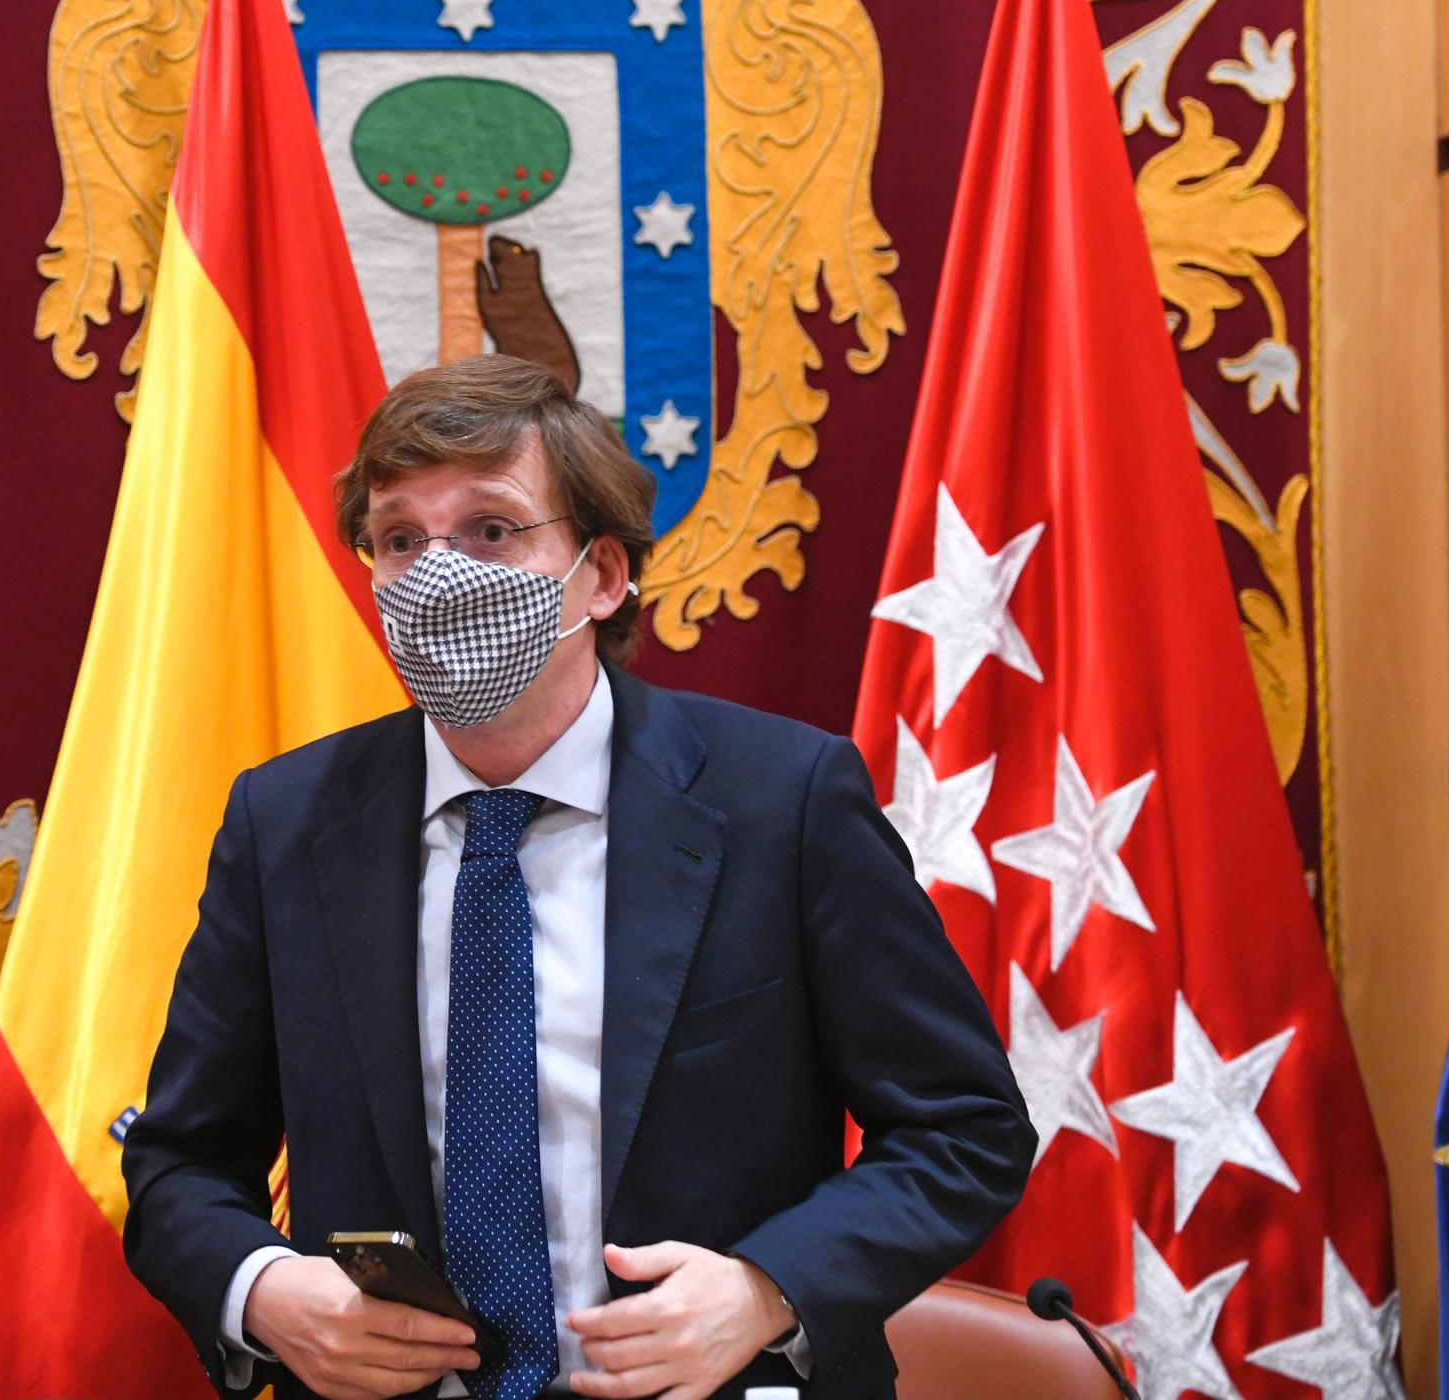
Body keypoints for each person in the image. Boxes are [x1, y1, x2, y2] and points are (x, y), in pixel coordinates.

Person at [123, 355, 1034, 1400]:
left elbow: (963, 1125)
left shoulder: (781, 799)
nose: (436, 572)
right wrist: (265, 1287)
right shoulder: (284, 819)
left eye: (490, 529)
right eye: (399, 539)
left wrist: (766, 1285)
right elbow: (180, 1162)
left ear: (601, 574)